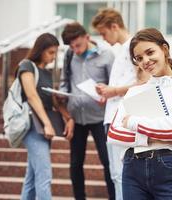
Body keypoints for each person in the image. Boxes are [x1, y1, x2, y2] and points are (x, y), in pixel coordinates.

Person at [107, 28, 172, 200]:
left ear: (164, 49)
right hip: (132, 168)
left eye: (150, 52)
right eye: (139, 58)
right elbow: (113, 134)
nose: (146, 61)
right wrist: (149, 138)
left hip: (170, 168)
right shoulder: (134, 92)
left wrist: (133, 122)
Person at [92, 8, 149, 200]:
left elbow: (144, 83)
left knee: (121, 175)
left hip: (122, 119)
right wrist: (109, 93)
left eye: (103, 33)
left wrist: (113, 91)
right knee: (117, 174)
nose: (103, 37)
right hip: (115, 116)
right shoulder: (123, 50)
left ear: (114, 26)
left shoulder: (133, 47)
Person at [59, 22, 115, 200]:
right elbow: (64, 80)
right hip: (76, 117)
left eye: (78, 45)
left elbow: (114, 86)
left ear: (87, 37)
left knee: (107, 161)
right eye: (72, 47)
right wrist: (61, 93)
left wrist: (107, 93)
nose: (75, 50)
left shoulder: (107, 55)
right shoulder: (69, 55)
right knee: (75, 163)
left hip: (100, 117)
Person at [19, 33, 74, 200]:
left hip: (42, 127)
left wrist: (68, 117)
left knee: (32, 177)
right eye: (50, 52)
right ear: (41, 50)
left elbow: (53, 102)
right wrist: (47, 124)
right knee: (44, 175)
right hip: (32, 126)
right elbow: (31, 96)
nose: (53, 56)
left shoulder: (46, 73)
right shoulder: (26, 66)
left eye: (55, 52)